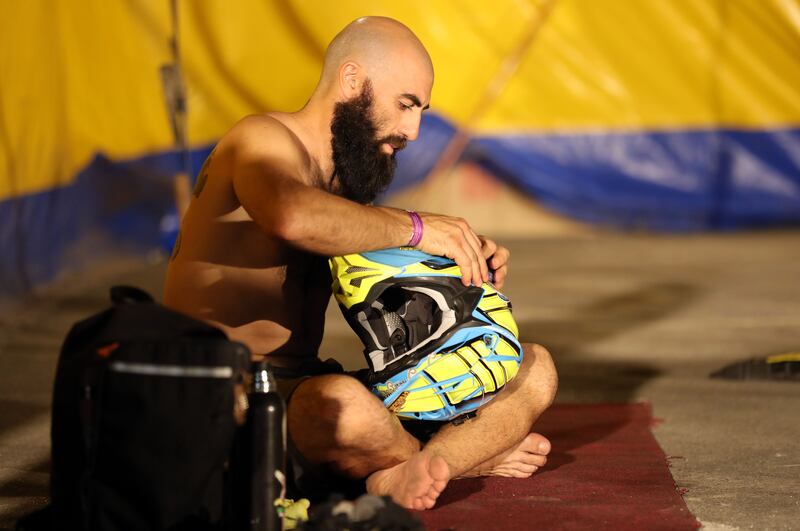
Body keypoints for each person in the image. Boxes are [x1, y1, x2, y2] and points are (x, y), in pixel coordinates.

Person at [164, 16, 557, 511]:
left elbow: (381, 259)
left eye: (422, 111)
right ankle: (461, 460)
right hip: (227, 398)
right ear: (352, 82)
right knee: (345, 408)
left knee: (535, 368)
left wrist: (463, 253)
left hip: (303, 381)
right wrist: (419, 227)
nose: (413, 129)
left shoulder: (342, 187)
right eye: (406, 104)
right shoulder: (261, 139)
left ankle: (417, 465)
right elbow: (292, 215)